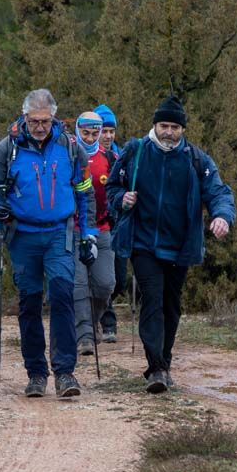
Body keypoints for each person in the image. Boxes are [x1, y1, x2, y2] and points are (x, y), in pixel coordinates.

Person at [106, 96, 235, 393]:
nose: (169, 132)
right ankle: (156, 368)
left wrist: (222, 217)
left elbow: (219, 193)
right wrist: (121, 200)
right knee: (152, 299)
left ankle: (164, 360)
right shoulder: (135, 152)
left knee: (171, 305)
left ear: (182, 129)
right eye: (164, 125)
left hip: (180, 246)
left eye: (175, 127)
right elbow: (113, 187)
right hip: (143, 242)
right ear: (155, 125)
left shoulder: (196, 159)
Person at [0, 88, 97, 399]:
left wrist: (88, 234)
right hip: (23, 236)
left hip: (60, 233)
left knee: (61, 295)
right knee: (29, 304)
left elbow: (85, 193)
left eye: (45, 121)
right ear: (25, 117)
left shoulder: (71, 148)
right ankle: (35, 373)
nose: (40, 127)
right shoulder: (8, 149)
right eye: (34, 121)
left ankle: (65, 372)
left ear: (54, 118)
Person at [71, 111, 117, 355]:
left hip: (102, 227)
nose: (90, 138)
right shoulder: (68, 154)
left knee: (105, 283)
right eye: (85, 132)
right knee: (78, 283)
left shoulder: (110, 157)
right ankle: (84, 335)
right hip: (72, 227)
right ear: (78, 129)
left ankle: (92, 320)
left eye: (94, 133)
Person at [95, 103, 126, 338]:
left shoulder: (121, 156)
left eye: (111, 131)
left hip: (119, 224)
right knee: (101, 277)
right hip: (95, 223)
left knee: (119, 280)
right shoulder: (86, 156)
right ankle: (106, 322)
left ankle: (100, 313)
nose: (107, 136)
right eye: (103, 130)